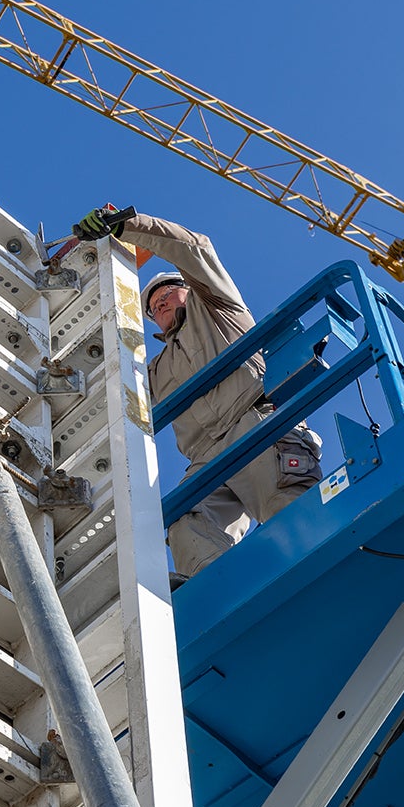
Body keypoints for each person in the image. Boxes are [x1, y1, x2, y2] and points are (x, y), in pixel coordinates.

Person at [75, 206, 323, 578]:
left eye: (166, 295)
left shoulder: (219, 310)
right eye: (152, 308)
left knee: (288, 513)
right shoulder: (156, 370)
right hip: (206, 460)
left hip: (254, 426)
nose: (158, 306)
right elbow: (112, 387)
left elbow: (195, 249)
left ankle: (322, 569)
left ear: (188, 291)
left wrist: (127, 226)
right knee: (185, 522)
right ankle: (225, 592)